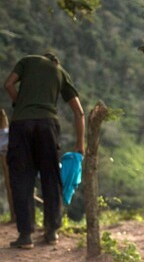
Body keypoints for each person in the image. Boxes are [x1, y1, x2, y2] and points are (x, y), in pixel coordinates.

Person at [3, 53, 85, 249]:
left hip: (21, 124)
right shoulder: (60, 72)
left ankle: (25, 236)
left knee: (22, 178)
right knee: (50, 177)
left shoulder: (27, 61)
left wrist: (20, 103)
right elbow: (79, 112)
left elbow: (8, 85)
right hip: (47, 126)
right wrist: (80, 144)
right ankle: (51, 232)